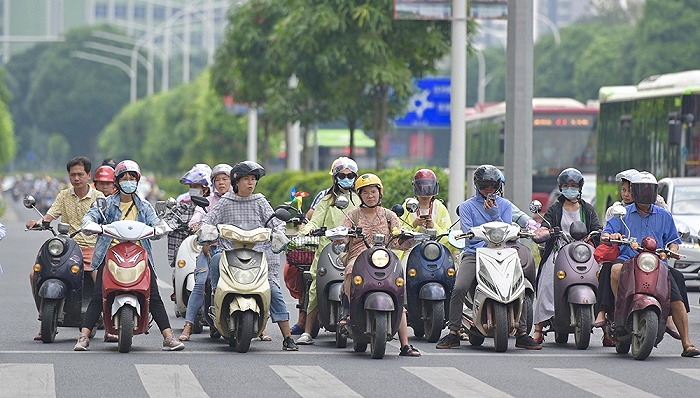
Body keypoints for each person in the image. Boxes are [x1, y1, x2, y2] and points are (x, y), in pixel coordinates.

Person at [73, 160, 184, 351]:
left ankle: (168, 337)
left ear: (138, 180)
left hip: (139, 255)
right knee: (99, 295)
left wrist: (161, 228)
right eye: (124, 178)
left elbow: (156, 222)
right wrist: (91, 225)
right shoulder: (106, 204)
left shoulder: (145, 206)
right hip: (111, 255)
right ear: (117, 181)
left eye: (132, 177)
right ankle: (83, 337)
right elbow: (90, 217)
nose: (128, 181)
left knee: (154, 296)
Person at [435, 164, 541, 350]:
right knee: (459, 287)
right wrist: (486, 242)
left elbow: (507, 230)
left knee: (520, 285)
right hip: (475, 254)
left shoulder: (505, 205)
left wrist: (493, 214)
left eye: (492, 186)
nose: (489, 190)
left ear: (499, 186)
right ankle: (453, 332)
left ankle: (523, 333)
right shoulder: (467, 207)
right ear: (477, 186)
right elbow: (468, 233)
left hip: (502, 252)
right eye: (484, 186)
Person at [198, 161, 299, 351]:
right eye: (246, 179)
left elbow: (276, 223)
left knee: (274, 291)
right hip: (229, 254)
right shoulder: (225, 202)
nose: (251, 183)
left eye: (253, 179)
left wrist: (279, 232)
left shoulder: (260, 201)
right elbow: (208, 220)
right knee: (215, 261)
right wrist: (207, 231)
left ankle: (287, 337)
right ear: (236, 182)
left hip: (258, 255)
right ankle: (215, 302)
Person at [602, 171, 699, 357]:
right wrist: (611, 236)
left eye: (649, 189)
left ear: (654, 192)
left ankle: (686, 343)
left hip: (655, 262)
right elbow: (607, 233)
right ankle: (619, 310)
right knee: (615, 269)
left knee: (676, 290)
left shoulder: (664, 215)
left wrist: (672, 251)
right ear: (634, 190)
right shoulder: (622, 213)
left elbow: (673, 241)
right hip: (629, 260)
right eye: (642, 189)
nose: (646, 193)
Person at [336, 173, 421, 357]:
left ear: (380, 192)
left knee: (398, 294)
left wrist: (410, 240)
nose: (370, 195)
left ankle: (405, 345)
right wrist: (339, 237)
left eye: (373, 191)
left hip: (386, 258)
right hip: (359, 257)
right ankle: (349, 311)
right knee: (350, 271)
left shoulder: (390, 216)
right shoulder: (352, 215)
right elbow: (342, 236)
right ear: (359, 195)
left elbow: (398, 242)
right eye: (365, 192)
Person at [25, 157, 105, 341]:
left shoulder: (99, 198)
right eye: (73, 174)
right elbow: (49, 216)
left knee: (99, 277)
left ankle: (108, 324)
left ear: (88, 175)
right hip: (67, 248)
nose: (76, 178)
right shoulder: (63, 195)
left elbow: (107, 219)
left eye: (80, 174)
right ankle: (43, 319)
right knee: (34, 275)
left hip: (92, 248)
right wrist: (37, 223)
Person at [295, 157, 360, 345]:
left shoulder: (359, 198)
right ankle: (307, 331)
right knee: (315, 287)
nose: (346, 178)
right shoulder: (326, 200)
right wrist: (304, 232)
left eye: (350, 176)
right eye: (342, 175)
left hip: (353, 249)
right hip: (327, 250)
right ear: (335, 177)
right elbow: (315, 222)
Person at [532, 168, 602, 344]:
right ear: (560, 188)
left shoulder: (587, 208)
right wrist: (544, 232)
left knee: (601, 278)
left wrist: (600, 234)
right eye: (566, 185)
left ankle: (607, 328)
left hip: (584, 251)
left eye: (573, 185)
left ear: (580, 188)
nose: (570, 188)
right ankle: (539, 328)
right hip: (559, 249)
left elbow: (597, 227)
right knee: (547, 280)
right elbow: (546, 226)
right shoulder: (555, 209)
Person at [178, 163, 233, 341]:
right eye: (217, 180)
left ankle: (261, 329)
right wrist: (197, 226)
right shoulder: (208, 202)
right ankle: (188, 325)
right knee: (200, 282)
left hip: (235, 250)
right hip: (211, 249)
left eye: (225, 179)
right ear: (212, 183)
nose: (221, 183)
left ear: (232, 181)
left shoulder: (240, 200)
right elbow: (197, 218)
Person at [595, 168, 638, 346]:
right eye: (624, 190)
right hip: (621, 256)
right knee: (607, 269)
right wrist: (613, 237)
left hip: (647, 258)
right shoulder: (617, 211)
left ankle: (669, 317)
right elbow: (606, 232)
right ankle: (604, 310)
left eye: (630, 191)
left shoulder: (658, 208)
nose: (626, 194)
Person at [162, 164, 211, 269]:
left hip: (207, 253)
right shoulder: (182, 208)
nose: (192, 190)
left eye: (196, 186)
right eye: (191, 187)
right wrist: (159, 227)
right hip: (185, 254)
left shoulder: (214, 208)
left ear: (206, 189)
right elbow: (170, 220)